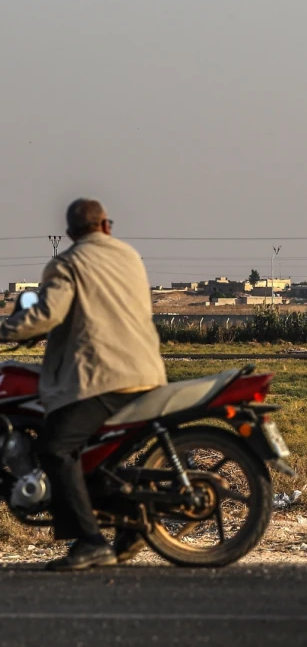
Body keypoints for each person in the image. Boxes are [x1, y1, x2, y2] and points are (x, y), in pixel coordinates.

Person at [0, 199, 166, 570]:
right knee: (86, 458)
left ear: (72, 234)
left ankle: (90, 541)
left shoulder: (68, 263)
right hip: (147, 372)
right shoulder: (129, 256)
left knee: (55, 450)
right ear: (107, 226)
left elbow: (46, 314)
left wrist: (7, 329)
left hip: (103, 378)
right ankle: (128, 522)